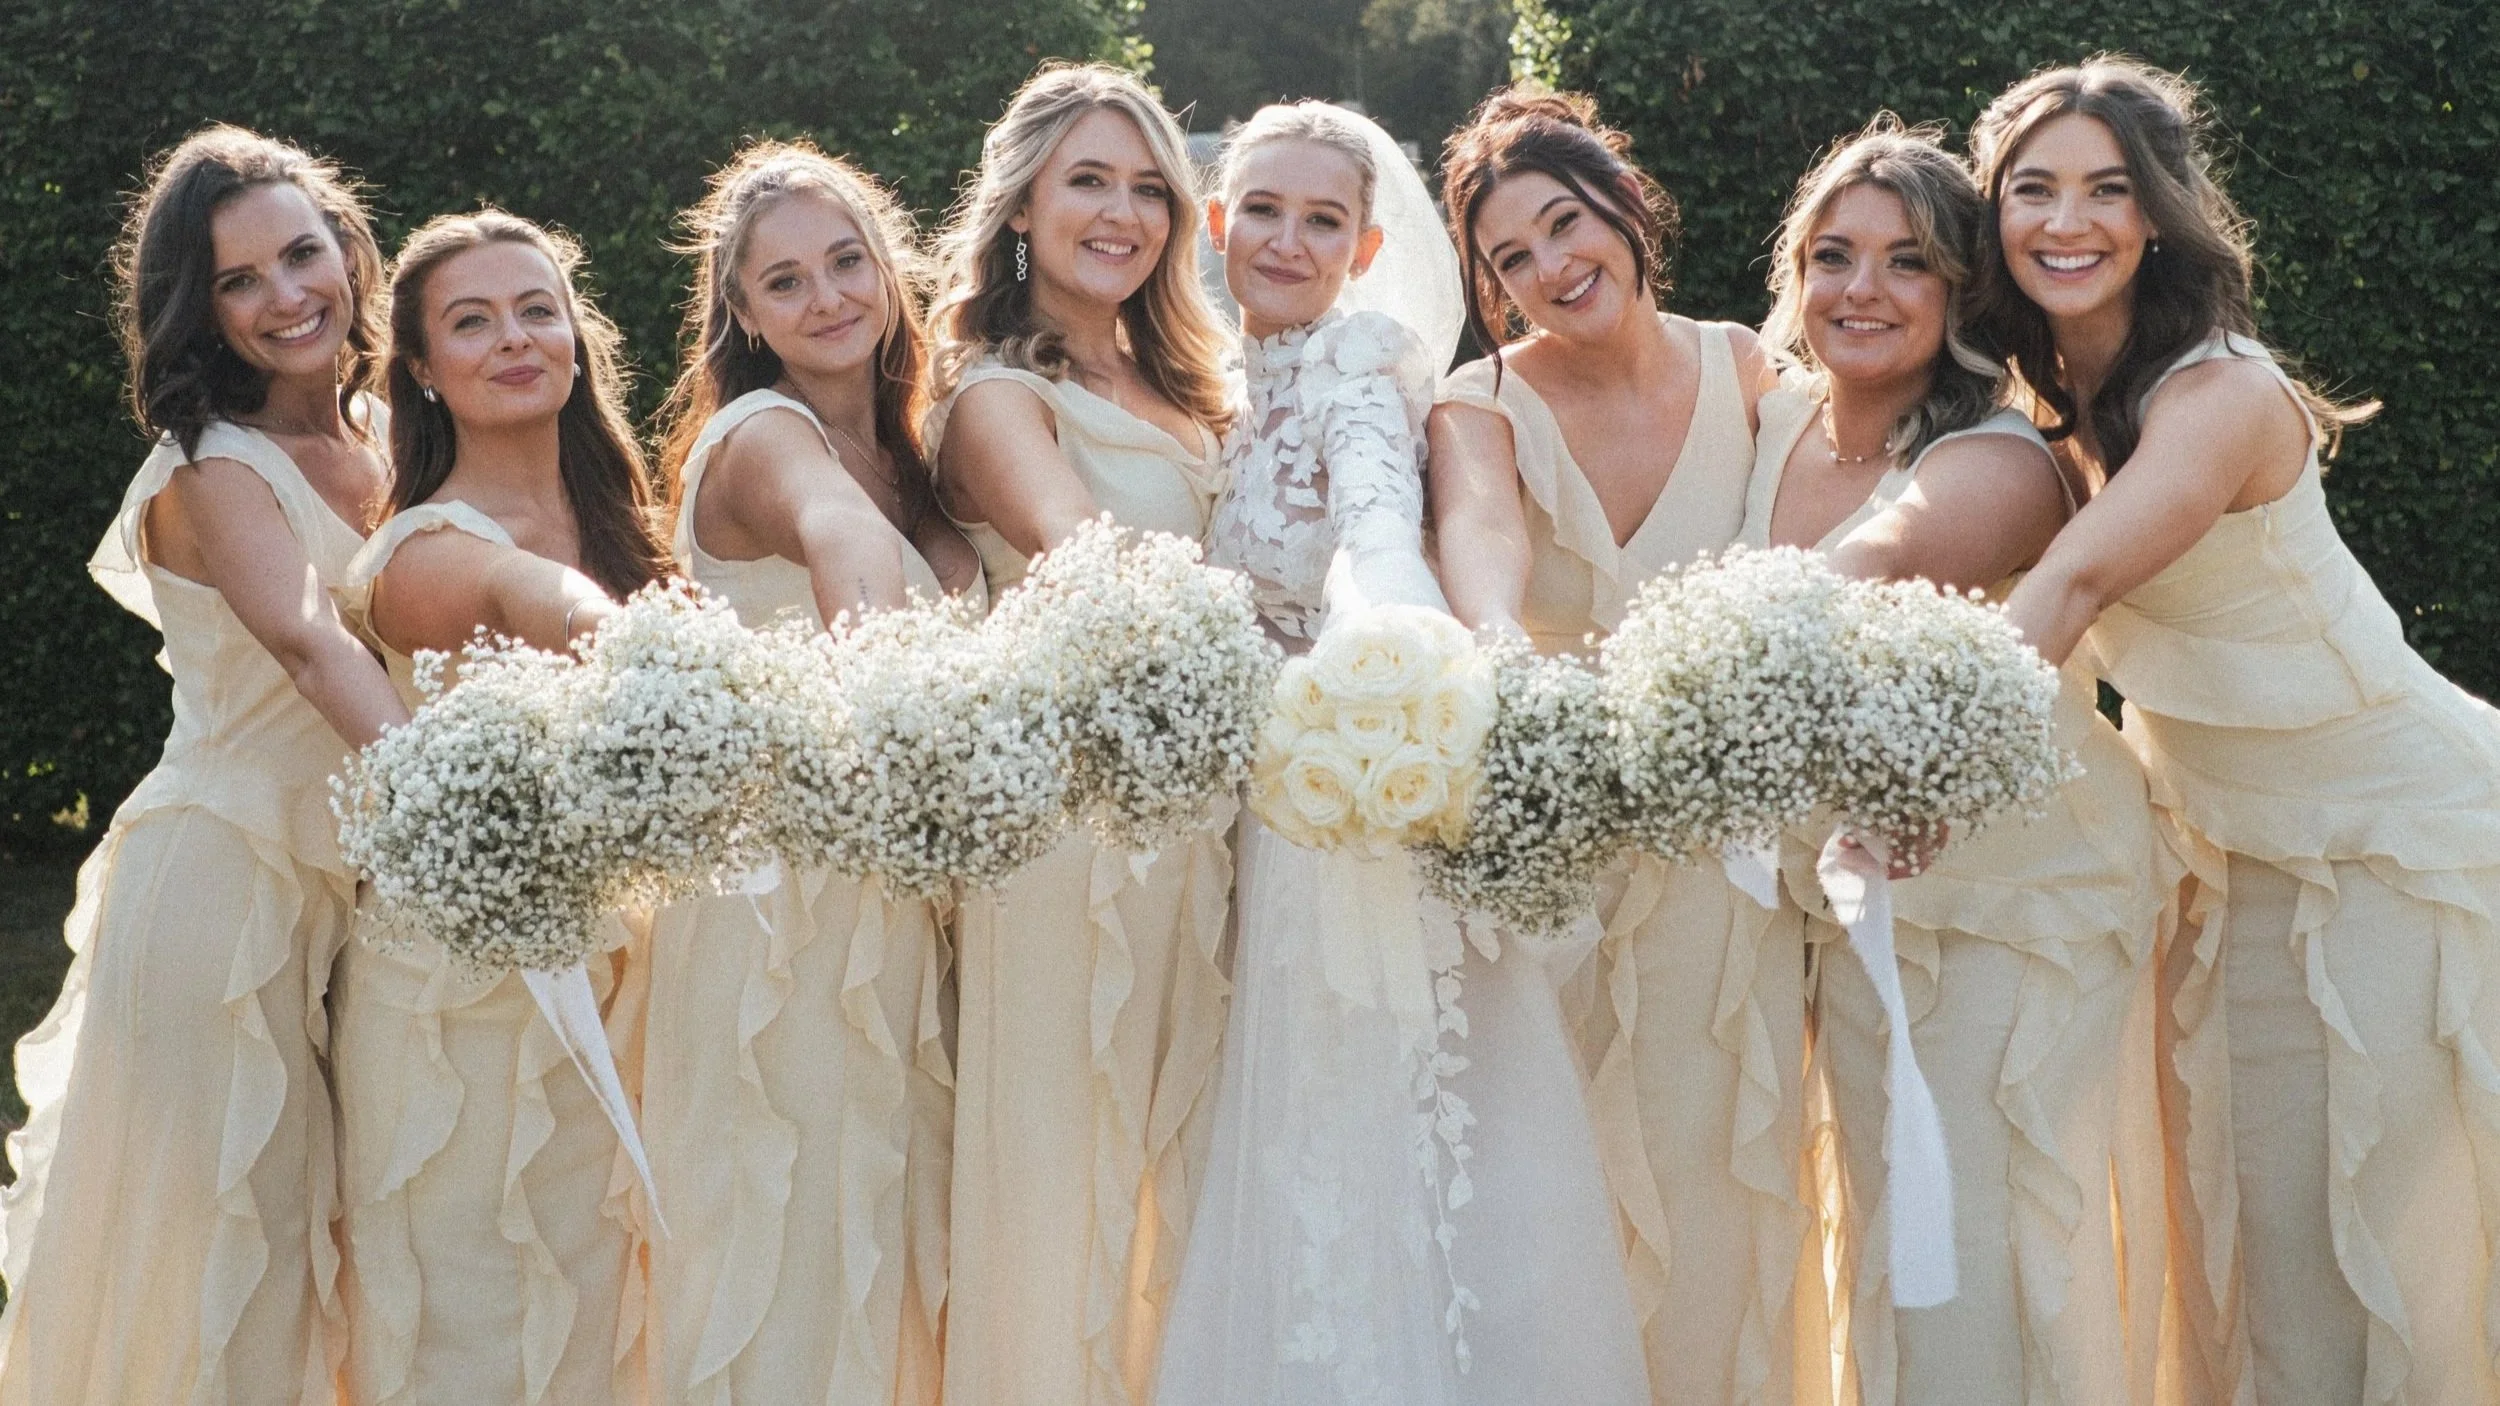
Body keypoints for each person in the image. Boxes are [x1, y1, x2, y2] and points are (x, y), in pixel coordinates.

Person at [1978, 57, 2500, 1404]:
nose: (2067, 220)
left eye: (2106, 189)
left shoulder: (2221, 397)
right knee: (2260, 1238)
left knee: (2400, 1242)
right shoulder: (2049, 412)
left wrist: (1931, 756)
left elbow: (2076, 583)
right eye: (2033, 190)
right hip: (2238, 866)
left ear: (2157, 216)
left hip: (2402, 847)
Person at [1740, 116, 2170, 1404]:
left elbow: (1858, 573)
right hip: (1856, 894)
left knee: (1984, 1226)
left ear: (1963, 292)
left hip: (2014, 904)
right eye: (1833, 256)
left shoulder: (2000, 458)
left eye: (1907, 263)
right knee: (1883, 1223)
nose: (1861, 290)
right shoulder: (1769, 428)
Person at [0, 124, 403, 1403]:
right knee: (222, 1237)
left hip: (353, 884)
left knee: (337, 1240)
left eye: (302, 252)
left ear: (348, 248)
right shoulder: (210, 468)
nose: (287, 296)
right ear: (199, 307)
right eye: (240, 280)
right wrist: (464, 800)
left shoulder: (393, 431)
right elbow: (307, 637)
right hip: (221, 889)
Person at [1426, 87, 1790, 1405]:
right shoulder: (1480, 401)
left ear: (1627, 210)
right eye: (1508, 259)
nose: (1547, 269)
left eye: (1564, 225)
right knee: (1562, 1192)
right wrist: (1498, 651)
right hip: (1558, 852)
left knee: (1712, 1182)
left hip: (1722, 872)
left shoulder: (1747, 365)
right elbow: (1480, 535)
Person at [639, 139, 974, 1405]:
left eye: (845, 263)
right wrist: (898, 735)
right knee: (791, 1230)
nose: (827, 297)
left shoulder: (905, 444)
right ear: (742, 314)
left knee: (891, 1220)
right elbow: (841, 543)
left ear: (887, 269)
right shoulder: (765, 435)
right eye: (785, 283)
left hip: (903, 890)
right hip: (786, 907)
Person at [922, 62, 1236, 1406]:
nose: (1121, 213)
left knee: (1183, 1175)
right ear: (1019, 209)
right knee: (1059, 1174)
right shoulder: (997, 393)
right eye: (1087, 182)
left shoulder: (1188, 380)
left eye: (1148, 188)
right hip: (1065, 829)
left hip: (1203, 818)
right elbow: (1080, 551)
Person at [333, 208, 665, 1406]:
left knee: (603, 1328)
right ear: (420, 369)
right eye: (470, 323)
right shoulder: (418, 551)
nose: (515, 338)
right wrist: (656, 652)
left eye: (537, 309)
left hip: (624, 986)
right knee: (472, 1326)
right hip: (460, 1013)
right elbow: (537, 597)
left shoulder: (633, 522)